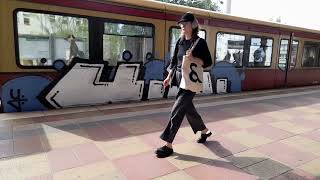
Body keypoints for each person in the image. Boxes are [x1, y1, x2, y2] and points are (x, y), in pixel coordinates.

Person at [155, 12, 213, 158]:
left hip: (191, 82)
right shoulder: (180, 42)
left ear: (193, 25)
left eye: (185, 23)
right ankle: (205, 131)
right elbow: (174, 63)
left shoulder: (200, 43)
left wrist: (194, 58)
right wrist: (168, 77)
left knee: (177, 110)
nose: (182, 26)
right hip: (180, 80)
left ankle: (168, 145)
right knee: (188, 109)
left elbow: (208, 63)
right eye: (181, 24)